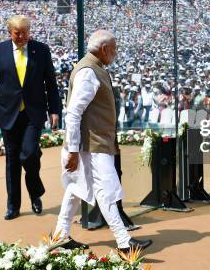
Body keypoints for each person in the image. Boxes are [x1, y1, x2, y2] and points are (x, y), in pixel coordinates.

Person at [54, 30, 152, 254]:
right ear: (104, 48)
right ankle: (124, 242)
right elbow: (73, 113)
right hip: (91, 145)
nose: (115, 53)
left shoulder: (94, 68)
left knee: (75, 189)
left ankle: (60, 235)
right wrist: (72, 149)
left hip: (92, 143)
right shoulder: (89, 71)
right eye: (114, 49)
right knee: (106, 190)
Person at [0, 15, 61, 220]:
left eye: (25, 32)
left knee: (30, 153)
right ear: (10, 32)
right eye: (17, 33)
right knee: (12, 161)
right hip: (7, 112)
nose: (22, 36)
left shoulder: (41, 50)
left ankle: (35, 192)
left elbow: (50, 82)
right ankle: (13, 206)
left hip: (33, 113)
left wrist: (55, 110)